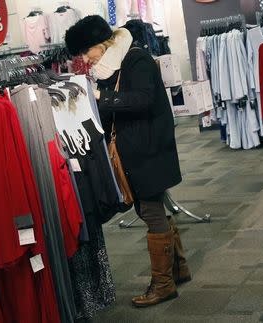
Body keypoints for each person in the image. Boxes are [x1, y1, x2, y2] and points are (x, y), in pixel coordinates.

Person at [65, 15, 190, 307]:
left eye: (86, 51)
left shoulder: (136, 60)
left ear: (100, 43)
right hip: (139, 151)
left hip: (148, 150)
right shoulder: (113, 65)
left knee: (150, 211)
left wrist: (100, 96)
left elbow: (143, 100)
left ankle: (163, 284)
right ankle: (178, 268)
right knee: (152, 209)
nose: (85, 58)